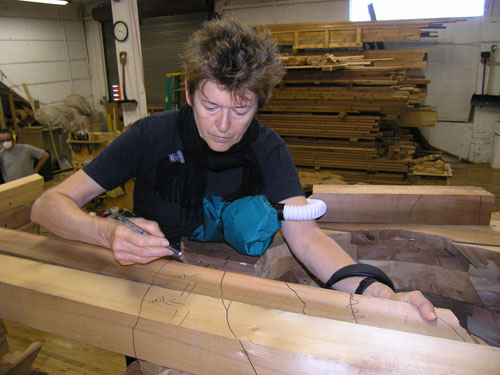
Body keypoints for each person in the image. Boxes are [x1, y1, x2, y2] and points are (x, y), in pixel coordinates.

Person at [31, 17, 437, 323]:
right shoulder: (149, 136)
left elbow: (307, 236)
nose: (224, 126)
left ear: (259, 103)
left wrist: (378, 293)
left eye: (241, 110)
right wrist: (107, 233)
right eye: (212, 107)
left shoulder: (267, 147)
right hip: (149, 293)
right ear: (189, 94)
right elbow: (48, 205)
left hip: (236, 301)